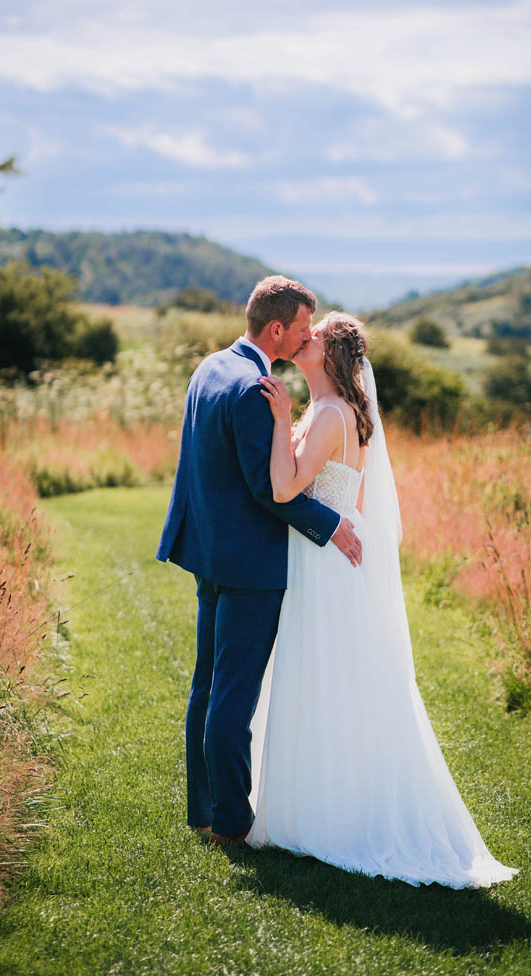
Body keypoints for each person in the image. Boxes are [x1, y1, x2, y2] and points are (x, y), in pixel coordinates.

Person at [246, 311, 518, 887]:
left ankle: (328, 815)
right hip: (336, 554)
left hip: (326, 561)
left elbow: (284, 486)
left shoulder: (328, 415)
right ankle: (324, 800)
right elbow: (347, 493)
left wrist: (278, 420)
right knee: (333, 678)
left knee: (322, 676)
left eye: (314, 335)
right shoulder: (339, 415)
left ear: (334, 357)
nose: (304, 337)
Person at [156, 278, 364, 846]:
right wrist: (330, 525)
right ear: (277, 329)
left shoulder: (210, 367)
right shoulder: (254, 387)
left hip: (209, 555)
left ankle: (203, 810)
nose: (304, 339)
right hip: (249, 567)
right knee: (232, 697)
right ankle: (231, 823)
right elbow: (266, 489)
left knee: (206, 687)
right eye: (301, 329)